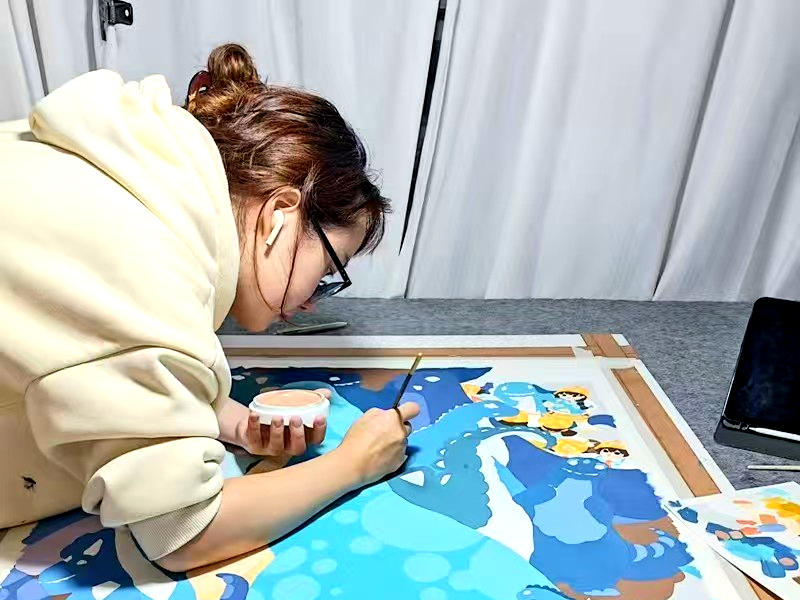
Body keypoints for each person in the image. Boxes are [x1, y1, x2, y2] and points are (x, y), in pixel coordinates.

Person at [0, 43, 420, 571]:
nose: (313, 302)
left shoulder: (132, 172)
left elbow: (83, 357)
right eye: (328, 269)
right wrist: (355, 463)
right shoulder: (142, 259)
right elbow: (182, 534)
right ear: (280, 214)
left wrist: (233, 423)